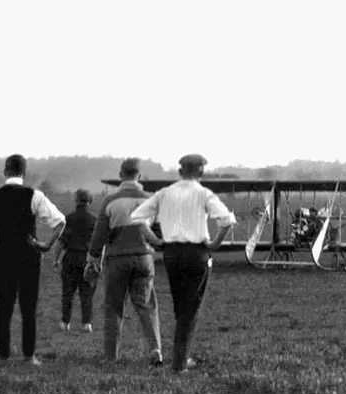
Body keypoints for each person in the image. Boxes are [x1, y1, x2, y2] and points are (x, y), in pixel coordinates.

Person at [129, 153, 237, 372]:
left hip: (171, 254)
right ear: (201, 172)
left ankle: (182, 355)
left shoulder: (164, 193)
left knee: (180, 305)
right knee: (191, 307)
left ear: (180, 172)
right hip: (197, 253)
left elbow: (138, 217)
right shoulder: (204, 194)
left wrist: (156, 240)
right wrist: (215, 244)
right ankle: (180, 363)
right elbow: (226, 221)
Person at [0, 154, 66, 366]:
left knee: (3, 306)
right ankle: (29, 356)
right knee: (28, 307)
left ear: (5, 172)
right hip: (28, 254)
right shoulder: (36, 196)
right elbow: (60, 222)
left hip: (3, 253)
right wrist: (47, 245)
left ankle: (3, 356)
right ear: (24, 172)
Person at [86, 158, 164, 367]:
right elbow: (158, 233)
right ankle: (155, 349)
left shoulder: (110, 201)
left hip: (117, 260)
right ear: (139, 176)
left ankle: (111, 356)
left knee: (113, 307)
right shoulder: (151, 200)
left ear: (120, 176)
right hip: (144, 259)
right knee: (146, 305)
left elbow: (99, 236)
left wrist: (93, 259)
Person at [53, 189, 98, 333]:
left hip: (70, 258)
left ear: (76, 200)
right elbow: (100, 244)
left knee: (67, 292)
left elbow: (60, 243)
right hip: (88, 259)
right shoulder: (94, 220)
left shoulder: (68, 219)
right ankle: (86, 324)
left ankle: (65, 322)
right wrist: (99, 263)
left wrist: (56, 260)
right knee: (87, 293)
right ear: (90, 201)